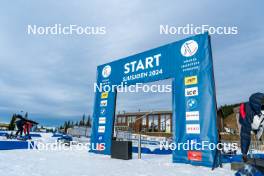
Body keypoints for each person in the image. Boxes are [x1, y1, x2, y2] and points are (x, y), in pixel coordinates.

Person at [239, 92, 264, 162]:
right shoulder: (247, 111)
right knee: (245, 135)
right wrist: (244, 153)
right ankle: (244, 153)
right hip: (249, 122)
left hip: (255, 122)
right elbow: (245, 136)